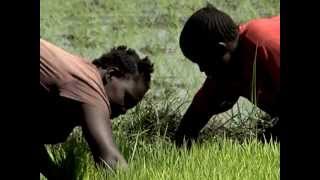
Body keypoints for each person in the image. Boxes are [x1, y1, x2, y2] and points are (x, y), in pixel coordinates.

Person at [40, 38, 154, 179]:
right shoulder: (90, 86)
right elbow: (112, 160)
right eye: (127, 98)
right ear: (111, 75)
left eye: (130, 107)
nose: (124, 110)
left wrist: (55, 175)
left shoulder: (80, 77)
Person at [174, 4, 280, 147]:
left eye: (203, 61)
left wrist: (267, 138)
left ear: (220, 49)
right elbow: (193, 121)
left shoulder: (264, 46)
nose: (201, 69)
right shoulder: (227, 68)